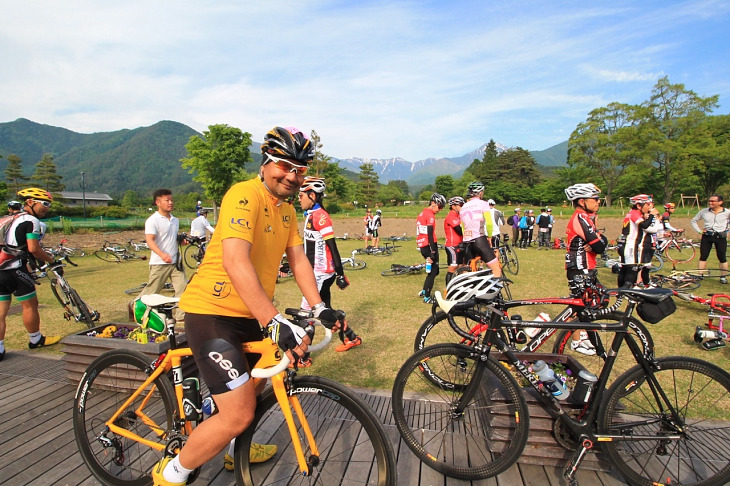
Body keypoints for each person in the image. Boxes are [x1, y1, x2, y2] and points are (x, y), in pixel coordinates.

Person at [153, 126, 343, 485]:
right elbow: (235, 261)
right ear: (267, 162)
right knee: (238, 414)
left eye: (300, 169)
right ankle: (172, 473)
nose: (292, 175)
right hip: (212, 312)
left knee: (260, 380)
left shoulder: (287, 210)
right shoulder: (244, 194)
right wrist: (273, 320)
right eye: (285, 165)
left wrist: (320, 307)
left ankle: (230, 448)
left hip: (248, 314)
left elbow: (299, 261)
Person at [298, 176, 360, 360]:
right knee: (326, 311)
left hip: (321, 272)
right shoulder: (310, 214)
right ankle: (352, 338)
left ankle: (302, 357)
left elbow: (332, 246)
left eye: (301, 195)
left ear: (312, 195)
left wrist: (341, 273)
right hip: (314, 270)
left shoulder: (321, 217)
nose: (299, 198)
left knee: (306, 313)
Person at [0, 188, 61, 362]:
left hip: (0, 269)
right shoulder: (31, 220)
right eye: (45, 204)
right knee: (30, 305)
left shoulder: (7, 218)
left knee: (1, 311)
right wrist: (51, 261)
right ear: (30, 202)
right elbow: (34, 248)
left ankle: (0, 348)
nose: (47, 208)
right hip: (16, 269)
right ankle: (35, 339)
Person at [564, 183, 608, 355]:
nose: (598, 202)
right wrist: (598, 241)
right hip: (579, 267)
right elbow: (599, 246)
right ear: (582, 201)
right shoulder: (581, 217)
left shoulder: (587, 217)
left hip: (586, 266)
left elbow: (599, 241)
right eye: (595, 199)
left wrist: (599, 240)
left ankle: (582, 333)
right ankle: (576, 341)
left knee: (594, 301)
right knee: (580, 306)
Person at [140, 189, 186, 322]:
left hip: (175, 263)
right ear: (158, 202)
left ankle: (181, 316)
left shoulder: (175, 220)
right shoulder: (152, 220)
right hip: (160, 262)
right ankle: (138, 309)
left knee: (183, 289)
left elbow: (170, 238)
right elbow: (150, 240)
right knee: (152, 292)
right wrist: (162, 254)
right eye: (167, 200)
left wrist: (181, 241)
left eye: (172, 200)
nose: (171, 203)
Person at [460, 181, 502, 277]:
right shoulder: (483, 204)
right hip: (479, 239)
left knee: (467, 271)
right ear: (480, 193)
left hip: (467, 241)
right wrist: (489, 237)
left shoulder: (463, 207)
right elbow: (489, 223)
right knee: (496, 269)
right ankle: (494, 291)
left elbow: (462, 226)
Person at [617, 194, 659, 288]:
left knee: (625, 268)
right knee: (632, 268)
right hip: (630, 244)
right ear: (639, 205)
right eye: (647, 205)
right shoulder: (634, 213)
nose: (649, 207)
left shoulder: (633, 213)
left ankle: (622, 290)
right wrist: (652, 215)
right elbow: (644, 225)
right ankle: (628, 289)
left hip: (625, 243)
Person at [691, 194, 730, 283]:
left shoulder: (727, 212)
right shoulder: (704, 211)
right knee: (703, 256)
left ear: (720, 202)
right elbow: (693, 221)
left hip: (720, 237)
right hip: (707, 236)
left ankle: (723, 277)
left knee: (722, 257)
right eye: (709, 201)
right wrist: (699, 231)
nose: (710, 203)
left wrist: (727, 230)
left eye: (713, 201)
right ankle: (700, 275)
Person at [417, 193, 447, 303]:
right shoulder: (430, 215)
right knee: (433, 271)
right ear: (433, 203)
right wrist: (433, 251)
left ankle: (425, 291)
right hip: (429, 245)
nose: (440, 209)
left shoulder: (422, 213)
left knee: (434, 270)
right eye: (440, 206)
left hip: (423, 245)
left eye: (442, 207)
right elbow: (429, 234)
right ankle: (427, 297)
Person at [443, 196, 465, 286]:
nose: (462, 207)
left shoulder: (458, 216)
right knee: (453, 267)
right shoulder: (451, 216)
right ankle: (448, 289)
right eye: (460, 205)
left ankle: (459, 287)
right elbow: (459, 231)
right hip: (452, 245)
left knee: (461, 267)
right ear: (453, 206)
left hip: (460, 244)